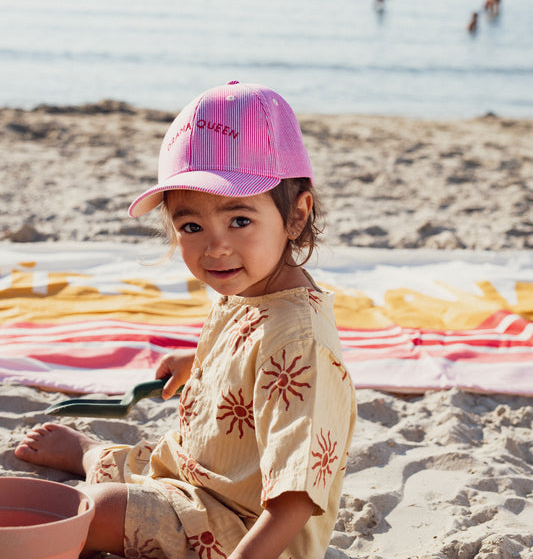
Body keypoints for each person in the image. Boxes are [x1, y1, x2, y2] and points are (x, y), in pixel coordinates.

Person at [15, 80, 357, 559]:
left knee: (86, 512)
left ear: (296, 215)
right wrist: (199, 363)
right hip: (196, 479)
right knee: (137, 475)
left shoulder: (300, 343)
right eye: (191, 227)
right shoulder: (250, 286)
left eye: (240, 220)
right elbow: (246, 349)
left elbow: (296, 498)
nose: (215, 247)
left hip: (248, 529)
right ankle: (97, 456)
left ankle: (93, 460)